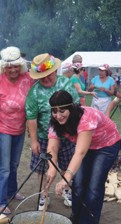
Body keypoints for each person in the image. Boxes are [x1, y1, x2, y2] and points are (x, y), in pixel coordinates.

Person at [46, 90, 121, 224]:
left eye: (62, 111)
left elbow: (80, 152)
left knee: (94, 185)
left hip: (107, 146)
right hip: (87, 146)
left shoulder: (86, 118)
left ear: (71, 108)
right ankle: (77, 217)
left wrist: (66, 176)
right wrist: (51, 170)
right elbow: (52, 148)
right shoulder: (55, 121)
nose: (58, 115)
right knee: (79, 183)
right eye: (54, 111)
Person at [25, 53, 80, 209]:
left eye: (48, 75)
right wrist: (34, 140)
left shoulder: (66, 84)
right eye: (42, 77)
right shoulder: (34, 92)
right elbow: (32, 118)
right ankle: (44, 194)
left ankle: (67, 189)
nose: (46, 79)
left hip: (67, 135)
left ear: (54, 71)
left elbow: (76, 108)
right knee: (43, 169)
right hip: (44, 137)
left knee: (67, 165)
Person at [0, 46, 34, 214]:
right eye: (9, 67)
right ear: (4, 67)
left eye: (16, 66)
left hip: (19, 128)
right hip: (3, 129)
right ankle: (0, 200)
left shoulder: (27, 79)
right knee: (4, 166)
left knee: (14, 164)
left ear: (20, 65)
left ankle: (12, 191)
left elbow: (34, 98)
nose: (13, 70)